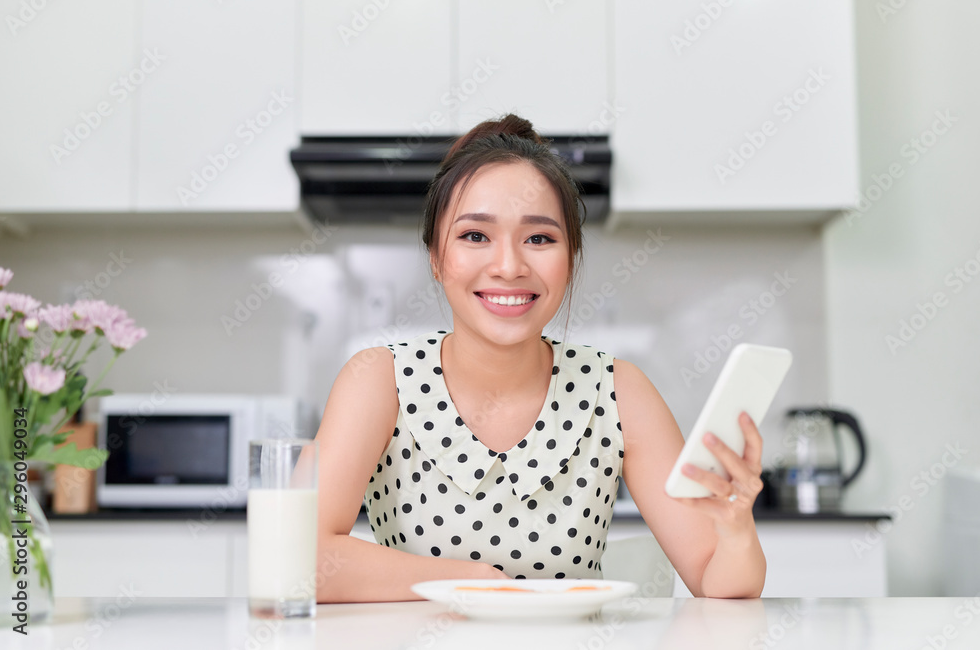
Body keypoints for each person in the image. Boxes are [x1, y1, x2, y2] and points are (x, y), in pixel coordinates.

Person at [314, 114, 766, 603]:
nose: (509, 266)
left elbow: (719, 585)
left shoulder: (619, 389)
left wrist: (736, 528)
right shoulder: (378, 380)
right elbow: (300, 558)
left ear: (569, 261)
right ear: (436, 258)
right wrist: (469, 583)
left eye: (539, 238)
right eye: (474, 236)